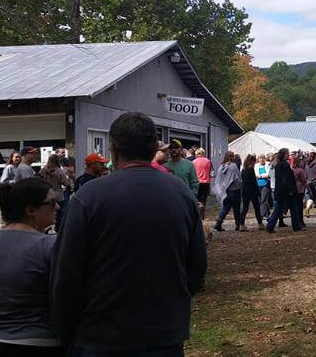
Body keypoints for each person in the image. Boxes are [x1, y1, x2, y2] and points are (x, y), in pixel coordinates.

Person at [52, 112, 207, 355]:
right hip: (163, 333)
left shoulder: (89, 197)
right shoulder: (181, 193)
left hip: (100, 335)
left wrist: (64, 330)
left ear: (113, 150)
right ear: (154, 148)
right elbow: (196, 266)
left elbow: (66, 271)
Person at [0, 179, 61, 355]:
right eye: (52, 203)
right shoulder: (50, 246)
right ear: (30, 210)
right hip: (38, 341)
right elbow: (65, 297)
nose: (58, 208)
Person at [266, 149, 302, 232]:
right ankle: (296, 226)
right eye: (286, 153)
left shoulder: (279, 165)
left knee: (279, 209)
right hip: (286, 191)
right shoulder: (284, 165)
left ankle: (270, 226)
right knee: (292, 208)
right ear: (282, 155)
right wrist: (290, 190)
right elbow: (286, 179)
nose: (288, 155)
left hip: (280, 190)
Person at [40, 153, 71, 231]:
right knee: (59, 214)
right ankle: (58, 228)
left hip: (47, 194)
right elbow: (66, 183)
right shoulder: (59, 171)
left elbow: (39, 179)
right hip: (58, 195)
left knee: (47, 211)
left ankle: (47, 227)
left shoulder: (43, 169)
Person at [213, 152, 242, 232]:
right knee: (236, 208)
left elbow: (219, 180)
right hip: (235, 190)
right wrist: (240, 185)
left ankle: (218, 223)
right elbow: (236, 178)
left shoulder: (221, 166)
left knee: (226, 207)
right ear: (232, 157)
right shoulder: (233, 166)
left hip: (226, 191)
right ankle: (238, 225)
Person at [238, 154, 264, 231]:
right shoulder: (251, 169)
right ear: (251, 161)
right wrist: (257, 191)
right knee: (256, 208)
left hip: (245, 190)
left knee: (245, 208)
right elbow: (253, 182)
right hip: (252, 191)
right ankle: (260, 223)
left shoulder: (243, 170)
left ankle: (241, 224)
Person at [192, 148, 213, 218]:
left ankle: (196, 214)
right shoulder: (208, 161)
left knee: (196, 198)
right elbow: (212, 171)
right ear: (203, 153)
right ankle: (202, 215)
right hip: (206, 182)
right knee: (203, 199)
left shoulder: (193, 162)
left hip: (197, 182)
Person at [255, 155, 273, 220]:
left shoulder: (267, 164)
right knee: (260, 200)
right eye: (260, 158)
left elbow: (268, 174)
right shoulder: (256, 165)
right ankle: (267, 213)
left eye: (263, 158)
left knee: (264, 200)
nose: (262, 160)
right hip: (258, 184)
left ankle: (261, 215)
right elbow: (256, 173)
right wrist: (261, 176)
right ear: (258, 159)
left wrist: (261, 176)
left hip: (266, 184)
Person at [293, 155, 308, 228]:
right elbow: (304, 181)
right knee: (300, 206)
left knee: (295, 206)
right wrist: (309, 190)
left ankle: (296, 220)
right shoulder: (300, 170)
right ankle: (301, 221)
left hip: (293, 190)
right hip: (300, 190)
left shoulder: (291, 170)